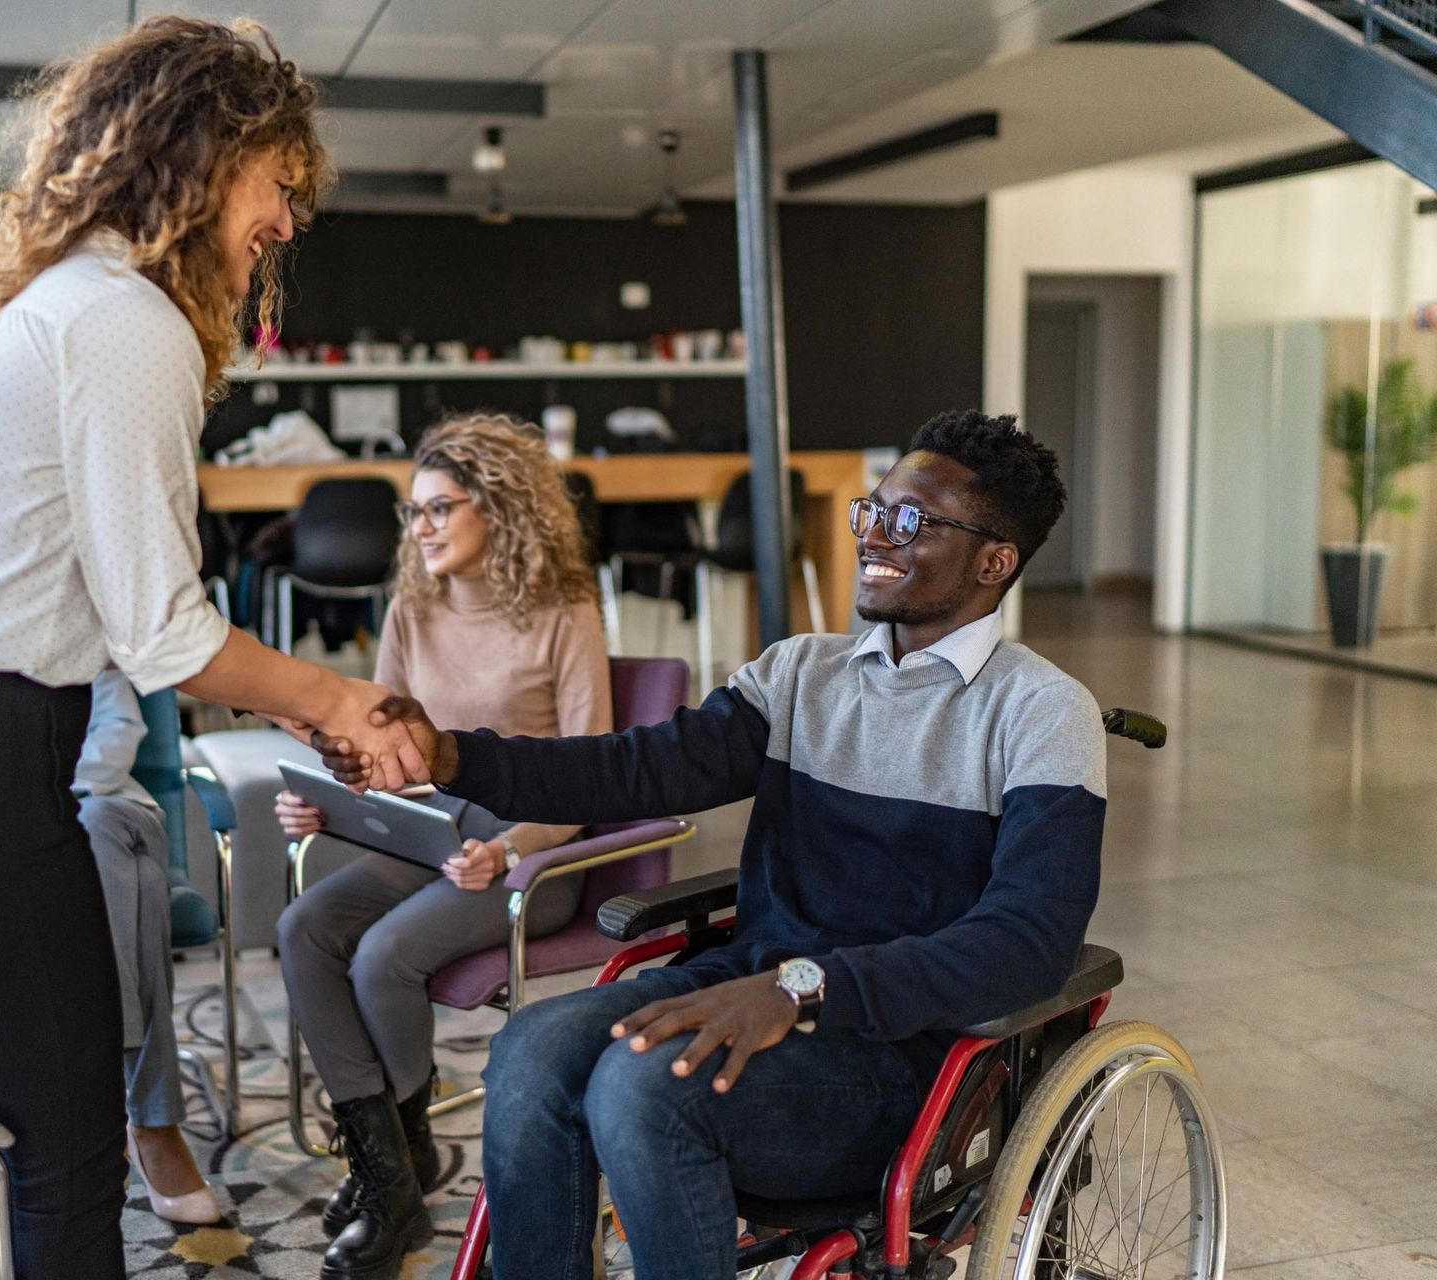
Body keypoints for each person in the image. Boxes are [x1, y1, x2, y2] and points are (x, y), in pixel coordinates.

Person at [0, 19, 426, 1280]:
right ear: (205, 157)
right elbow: (164, 632)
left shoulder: (64, 298)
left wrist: (299, 706)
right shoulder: (125, 320)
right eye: (276, 185)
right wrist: (338, 696)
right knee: (66, 1157)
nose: (286, 222)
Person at [315, 412, 1109, 1280]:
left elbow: (1029, 942)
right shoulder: (802, 672)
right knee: (531, 1049)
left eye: (911, 521)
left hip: (900, 1058)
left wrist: (804, 987)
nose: (875, 537)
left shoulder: (1039, 711)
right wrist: (449, 756)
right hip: (752, 985)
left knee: (640, 1087)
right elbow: (632, 771)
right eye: (873, 512)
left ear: (995, 561)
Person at [273, 413, 611, 1280]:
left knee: (383, 954)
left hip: (534, 854)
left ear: (496, 509)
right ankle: (393, 1171)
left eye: (438, 509)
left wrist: (510, 851)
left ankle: (391, 1184)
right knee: (305, 927)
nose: (419, 528)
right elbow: (383, 754)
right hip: (433, 832)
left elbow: (590, 779)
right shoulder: (411, 609)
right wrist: (333, 798)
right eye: (413, 513)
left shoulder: (563, 610)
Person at [71, 666, 216, 1225]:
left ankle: (117, 1106)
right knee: (144, 889)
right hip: (13, 836)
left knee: (98, 828)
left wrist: (46, 788)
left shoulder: (84, 641)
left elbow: (118, 733)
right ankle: (150, 1117)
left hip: (108, 804)